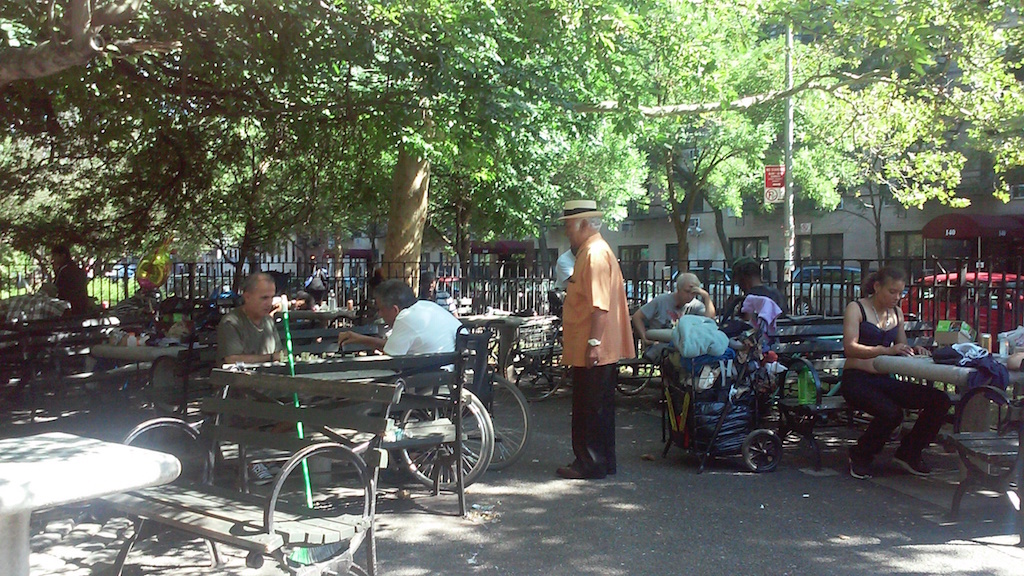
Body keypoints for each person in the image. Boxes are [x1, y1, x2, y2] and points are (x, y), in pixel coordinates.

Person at [840, 265, 951, 479]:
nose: (897, 297)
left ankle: (909, 452)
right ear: (877, 286)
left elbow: (901, 345)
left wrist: (913, 350)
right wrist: (886, 350)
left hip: (884, 379)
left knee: (940, 400)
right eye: (892, 292)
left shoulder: (896, 313)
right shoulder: (856, 308)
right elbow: (850, 347)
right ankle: (860, 455)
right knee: (891, 413)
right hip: (857, 379)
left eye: (901, 293)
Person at [557, 199, 635, 480]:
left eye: (569, 225)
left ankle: (589, 462)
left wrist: (593, 344)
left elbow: (599, 305)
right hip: (595, 345)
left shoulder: (593, 254)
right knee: (598, 408)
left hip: (592, 347)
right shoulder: (596, 251)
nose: (567, 231)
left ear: (584, 224)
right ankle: (601, 461)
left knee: (589, 408)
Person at [337, 278, 462, 356]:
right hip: (450, 373)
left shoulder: (405, 318)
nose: (379, 314)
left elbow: (391, 358)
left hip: (430, 382)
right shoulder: (427, 306)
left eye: (381, 309)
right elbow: (393, 347)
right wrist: (361, 339)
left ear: (395, 309)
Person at [217, 273, 284, 365]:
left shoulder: (268, 321)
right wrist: (271, 357)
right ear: (247, 297)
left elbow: (279, 354)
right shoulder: (231, 322)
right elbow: (231, 359)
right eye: (264, 298)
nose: (269, 303)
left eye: (271, 297)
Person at [50, 245, 91, 316]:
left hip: (69, 306)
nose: (53, 259)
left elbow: (57, 288)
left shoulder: (64, 270)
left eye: (55, 256)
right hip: (81, 305)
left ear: (63, 256)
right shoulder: (76, 268)